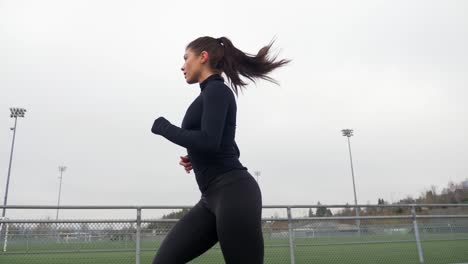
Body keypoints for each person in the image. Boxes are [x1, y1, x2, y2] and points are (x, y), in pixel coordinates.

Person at [151, 36, 290, 264]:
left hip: (233, 193)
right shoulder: (208, 94)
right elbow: (221, 143)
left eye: (186, 58)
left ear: (203, 57)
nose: (182, 65)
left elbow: (210, 141)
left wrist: (164, 128)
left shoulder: (217, 91)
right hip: (210, 199)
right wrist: (196, 158)